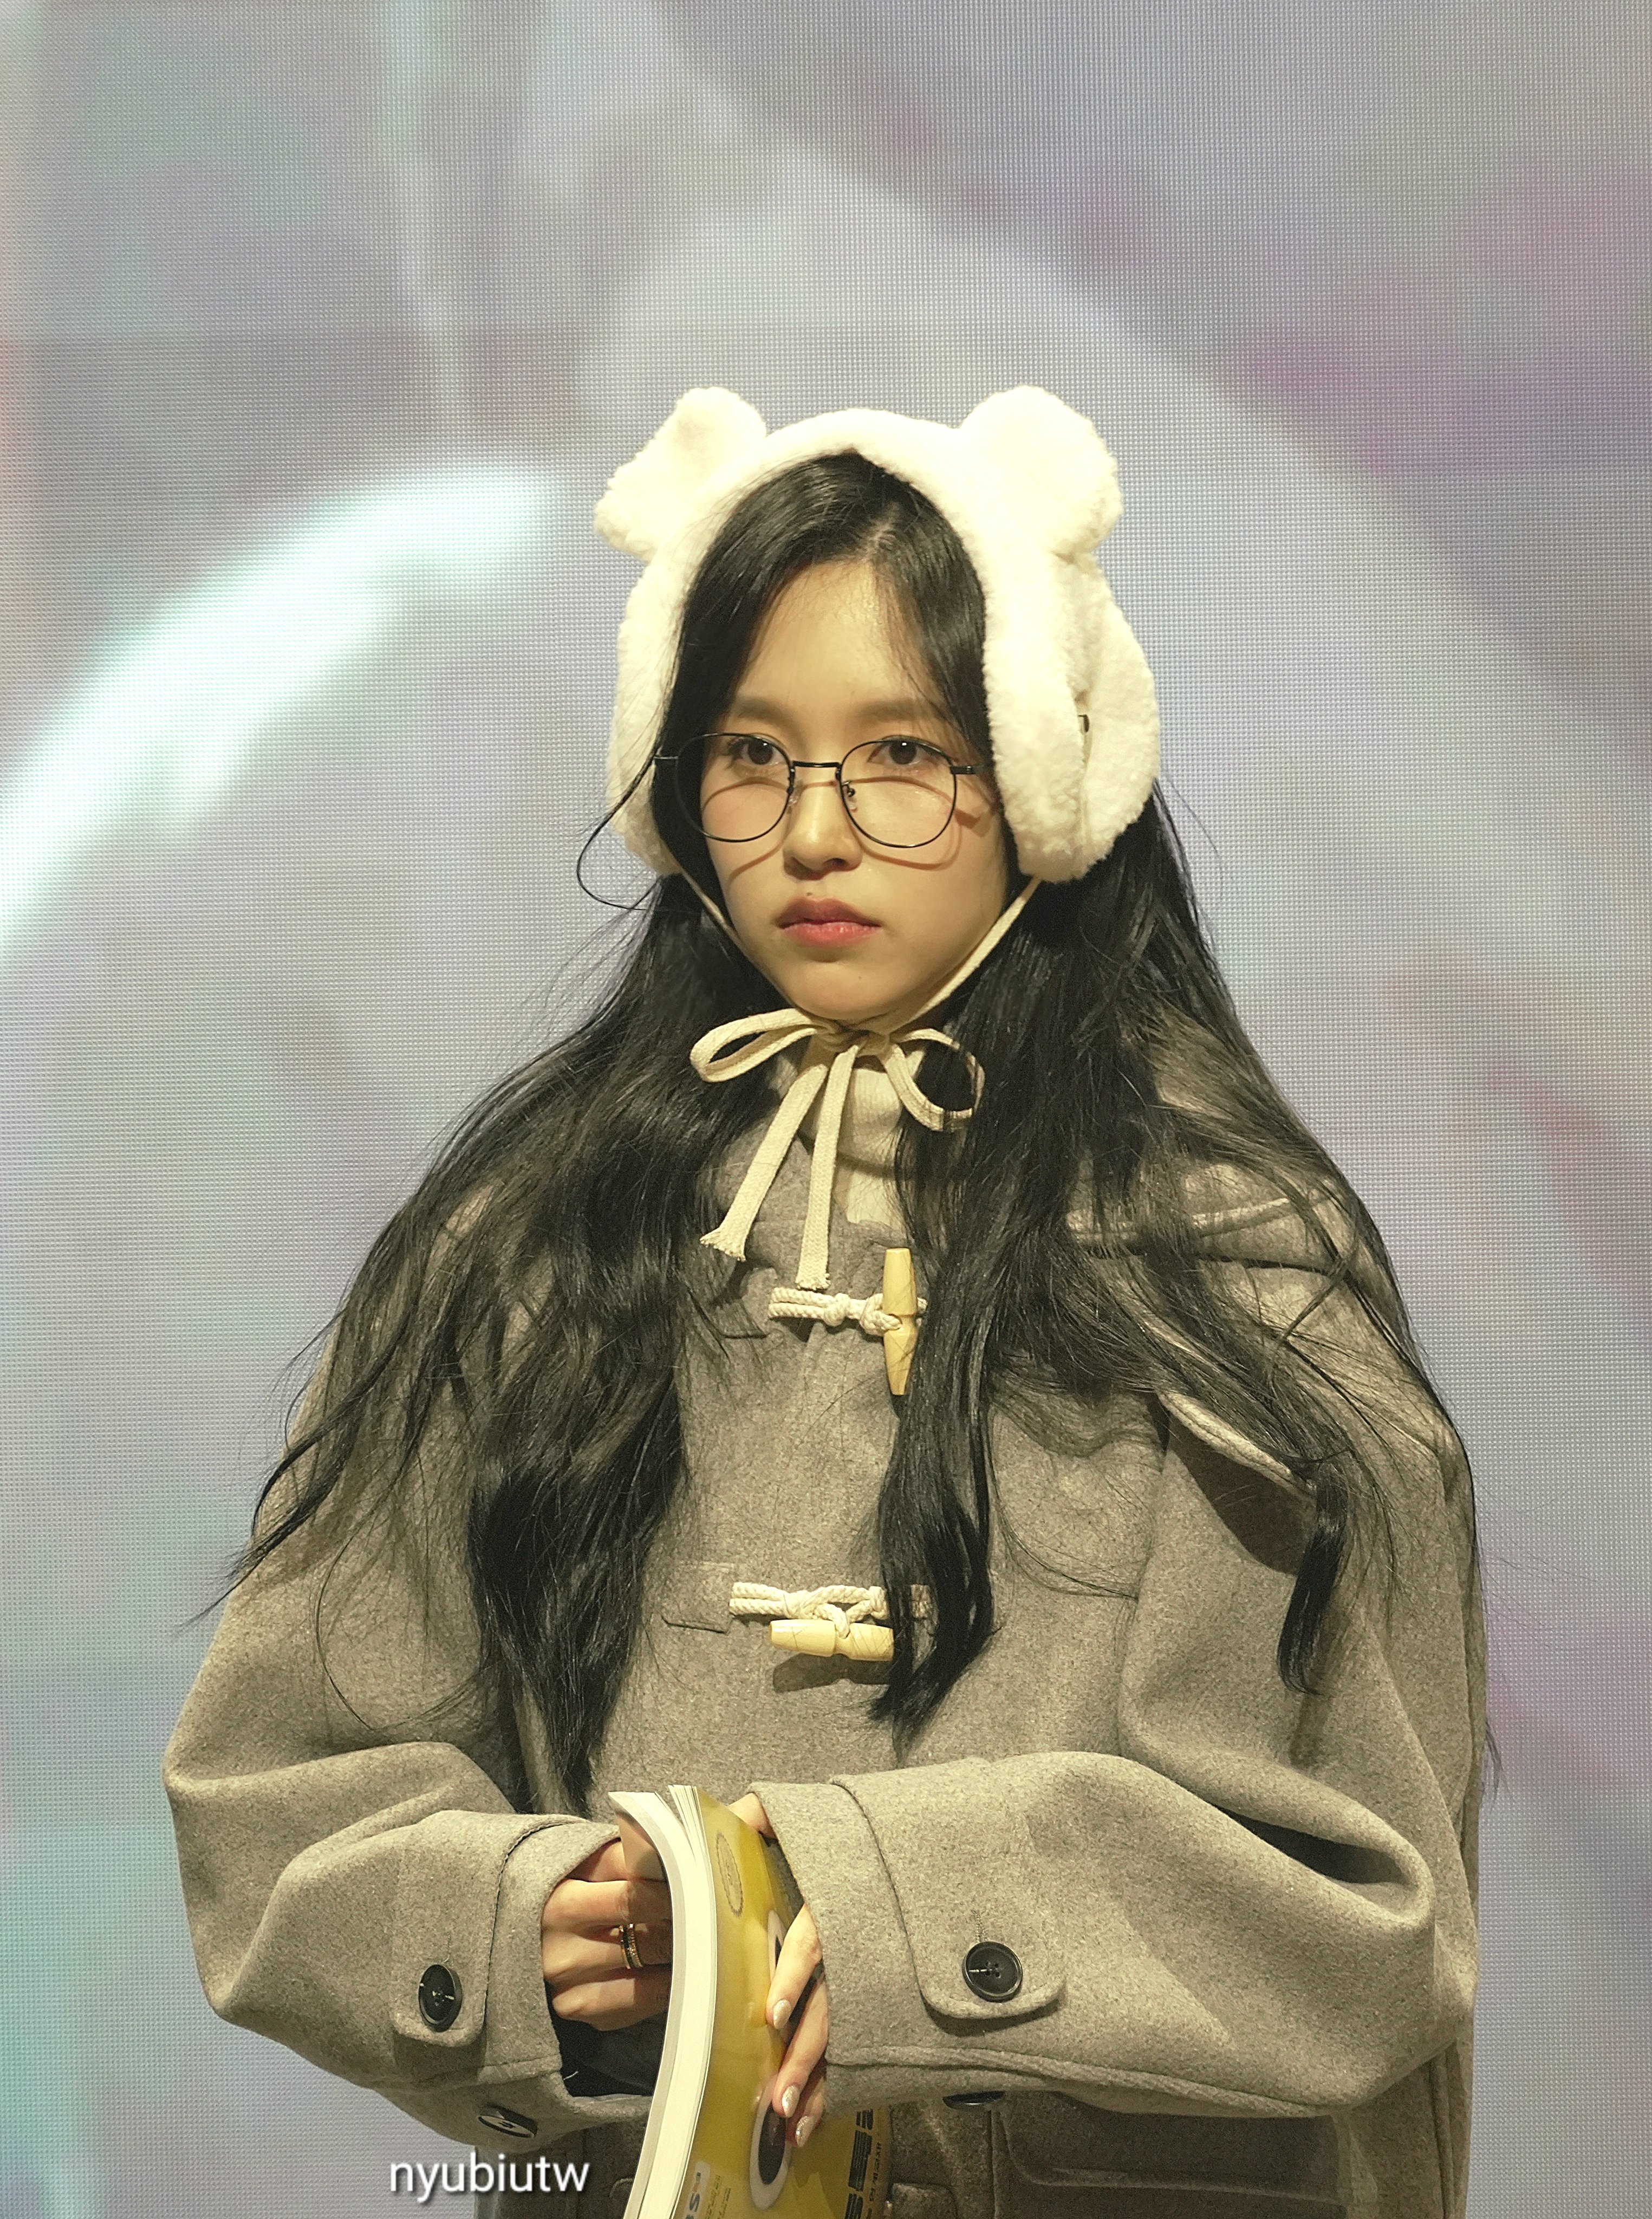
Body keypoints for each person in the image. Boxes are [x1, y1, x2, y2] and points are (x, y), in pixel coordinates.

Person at [164, 386, 1486, 2219]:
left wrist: (877, 1910)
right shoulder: (529, 1244)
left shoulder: (1225, 1261)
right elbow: (276, 1793)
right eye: (752, 755)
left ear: (1044, 782)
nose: (813, 832)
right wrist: (526, 1921)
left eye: (903, 755)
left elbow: (1369, 1915)